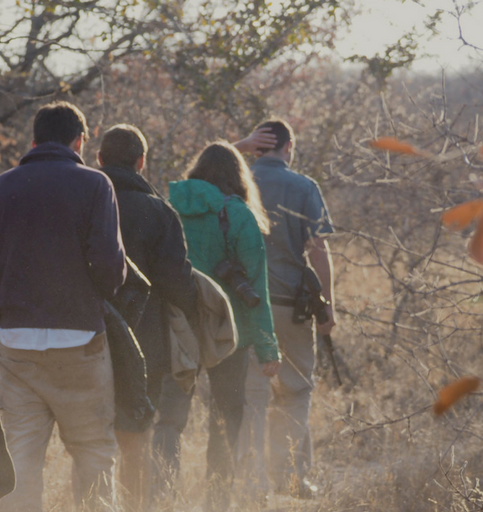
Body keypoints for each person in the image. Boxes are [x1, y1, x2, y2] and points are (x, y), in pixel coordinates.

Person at [0, 101, 128, 512]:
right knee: (93, 451)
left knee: (20, 456)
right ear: (79, 141)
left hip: (15, 342)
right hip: (80, 340)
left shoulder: (3, 186)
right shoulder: (96, 185)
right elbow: (111, 269)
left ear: (35, 140)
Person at [154, 142, 281, 512]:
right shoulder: (239, 215)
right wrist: (268, 348)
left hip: (177, 325)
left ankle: (161, 499)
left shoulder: (169, 205)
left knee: (168, 419)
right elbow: (257, 287)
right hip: (231, 332)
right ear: (238, 177)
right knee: (226, 418)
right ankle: (217, 502)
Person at [96, 125, 199, 511]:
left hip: (84, 338)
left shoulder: (81, 202)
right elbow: (178, 283)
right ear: (142, 162)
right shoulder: (159, 211)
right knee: (135, 437)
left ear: (100, 160)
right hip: (145, 345)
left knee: (91, 441)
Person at [245, 119, 336, 499]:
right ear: (289, 146)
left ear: (254, 148)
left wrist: (237, 146)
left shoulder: (237, 181)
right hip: (291, 304)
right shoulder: (303, 186)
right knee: (295, 392)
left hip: (245, 307)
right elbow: (318, 248)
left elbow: (195, 180)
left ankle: (253, 482)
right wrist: (328, 304)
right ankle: (289, 477)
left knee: (252, 394)